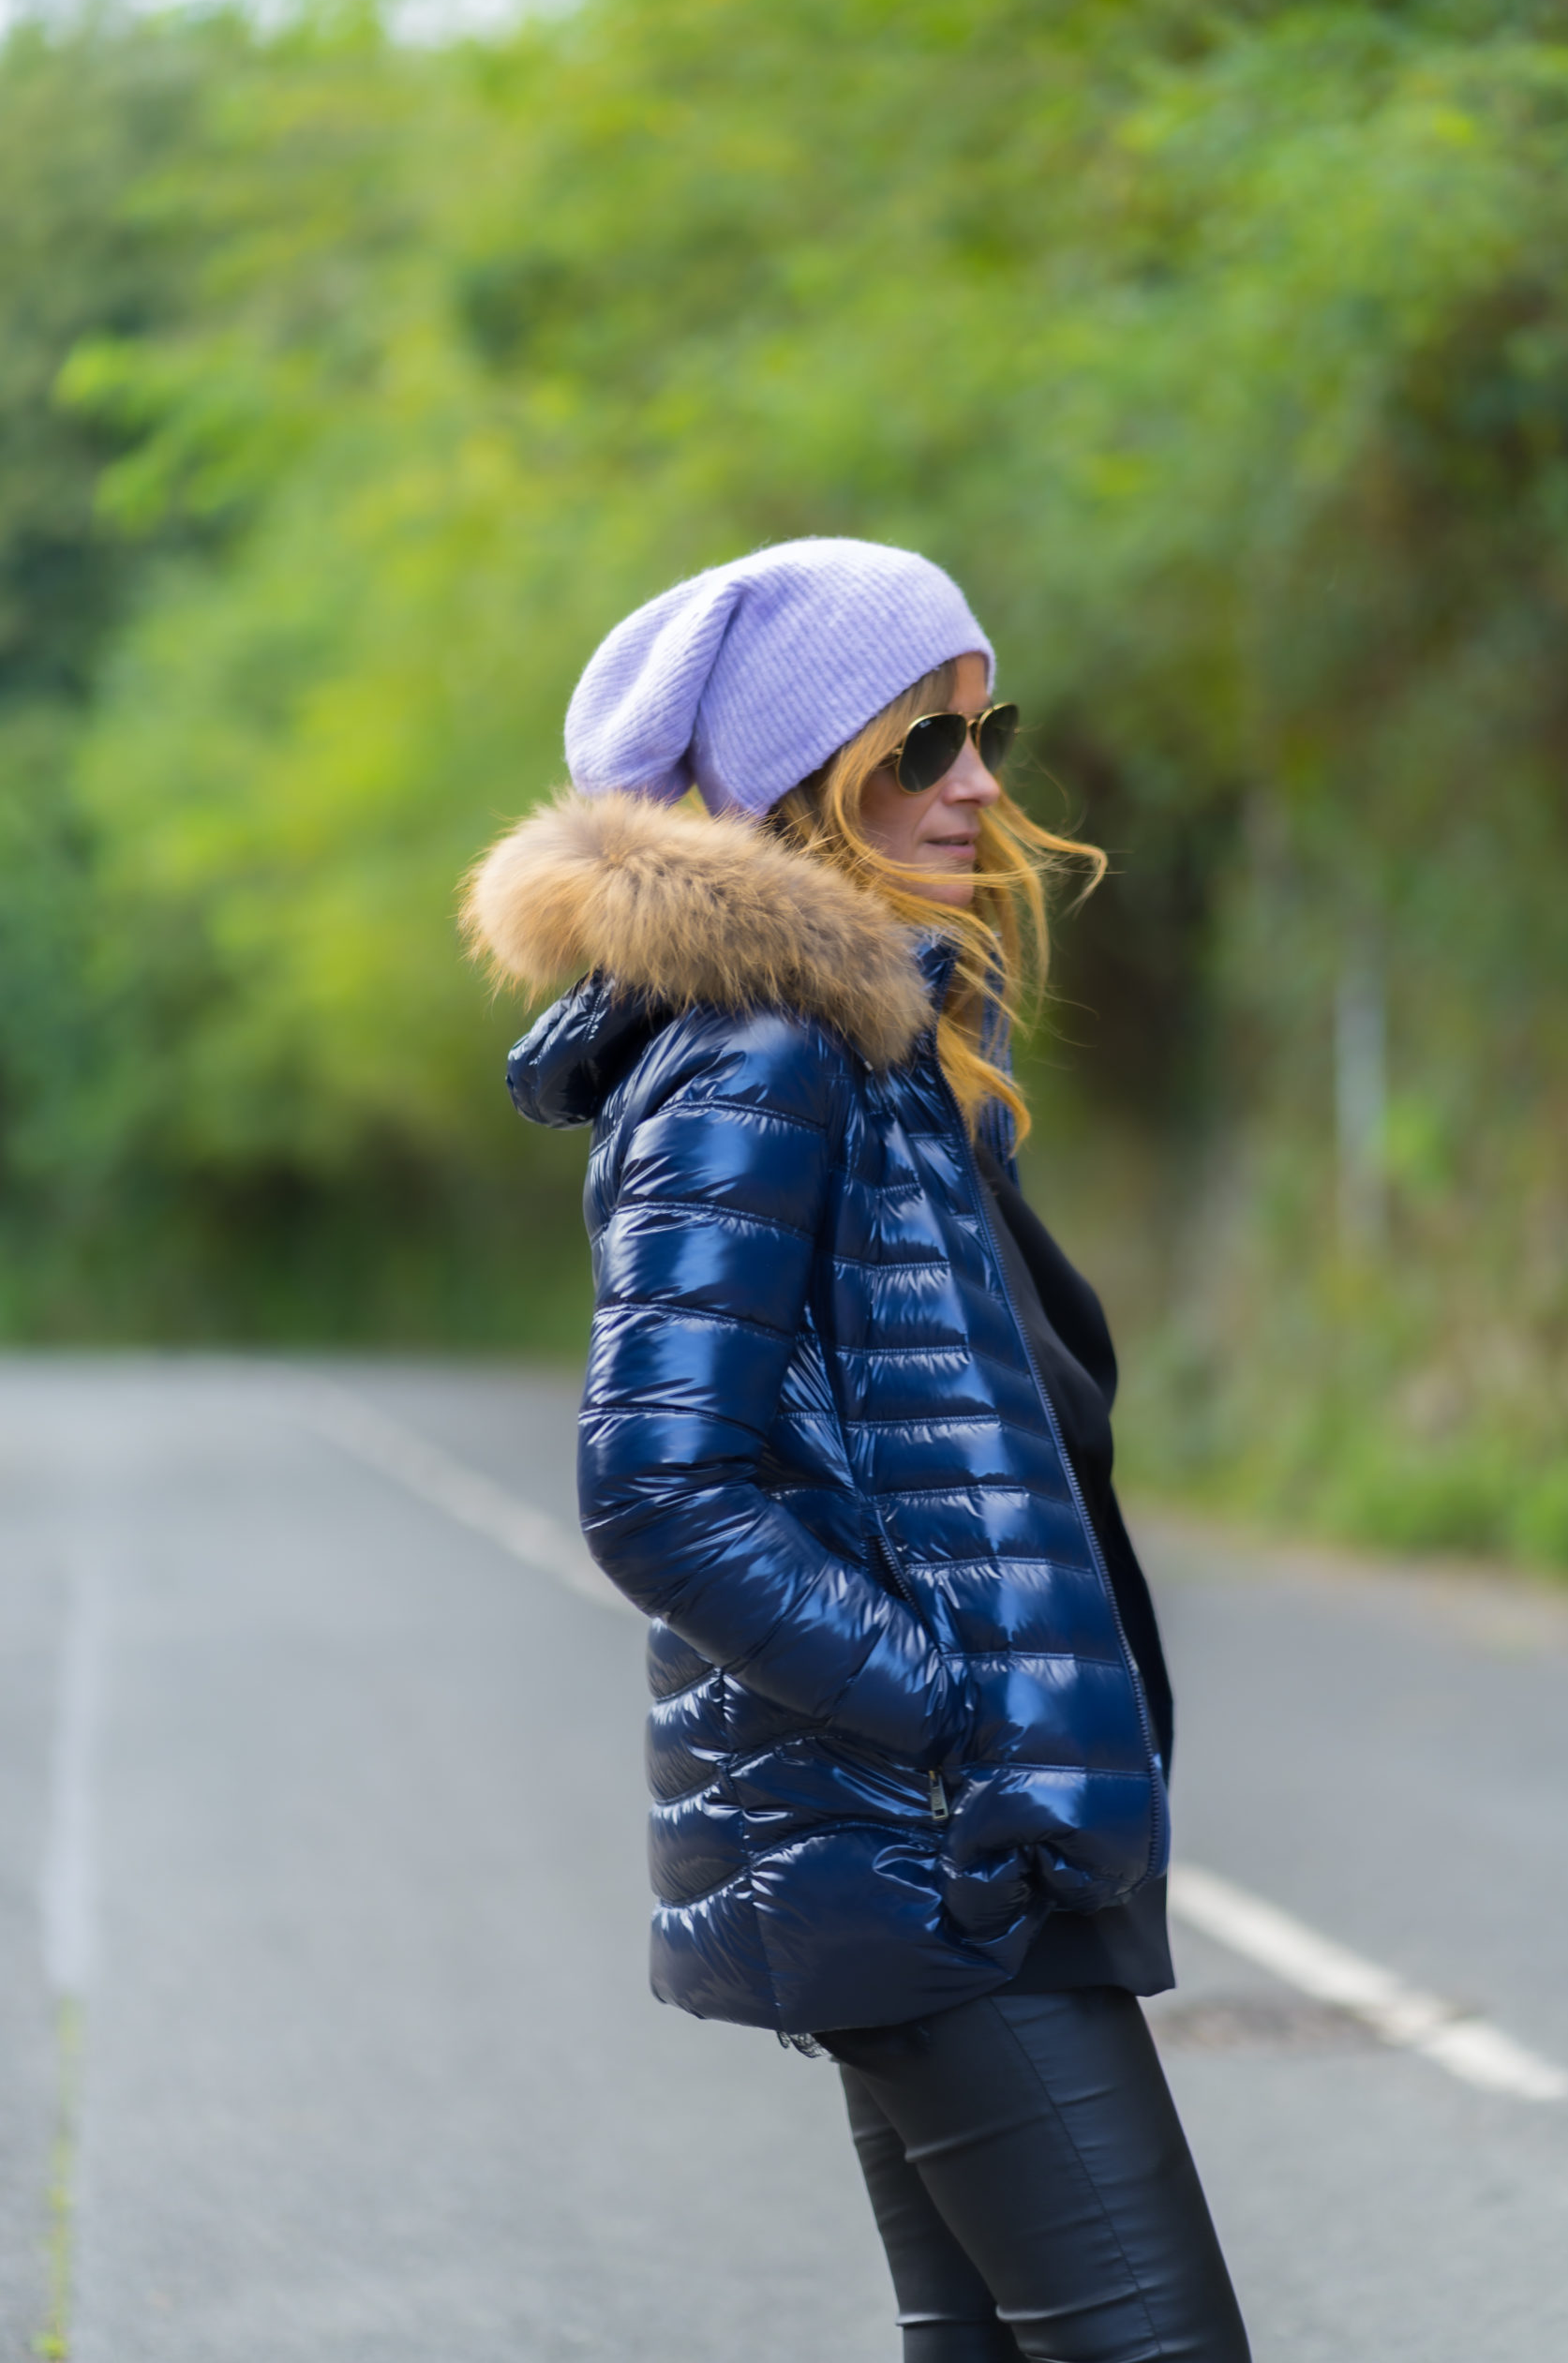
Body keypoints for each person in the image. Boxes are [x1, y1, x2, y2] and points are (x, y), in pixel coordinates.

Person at [463, 537, 1250, 2363]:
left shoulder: (872, 1048)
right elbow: (659, 1482)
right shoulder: (766, 1048)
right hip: (935, 1848)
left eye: (987, 732)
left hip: (955, 1854)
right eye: (918, 745)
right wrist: (949, 1710)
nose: (977, 783)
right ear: (783, 782)